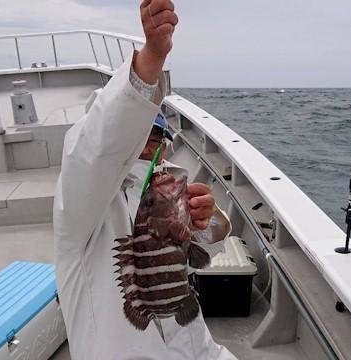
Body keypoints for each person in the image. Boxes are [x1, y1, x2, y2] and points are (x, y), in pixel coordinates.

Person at [53, 0, 237, 358]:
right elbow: (100, 146)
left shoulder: (165, 189)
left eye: (157, 139)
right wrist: (152, 57)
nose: (149, 147)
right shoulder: (80, 206)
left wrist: (206, 219)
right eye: (140, 137)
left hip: (199, 349)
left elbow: (202, 252)